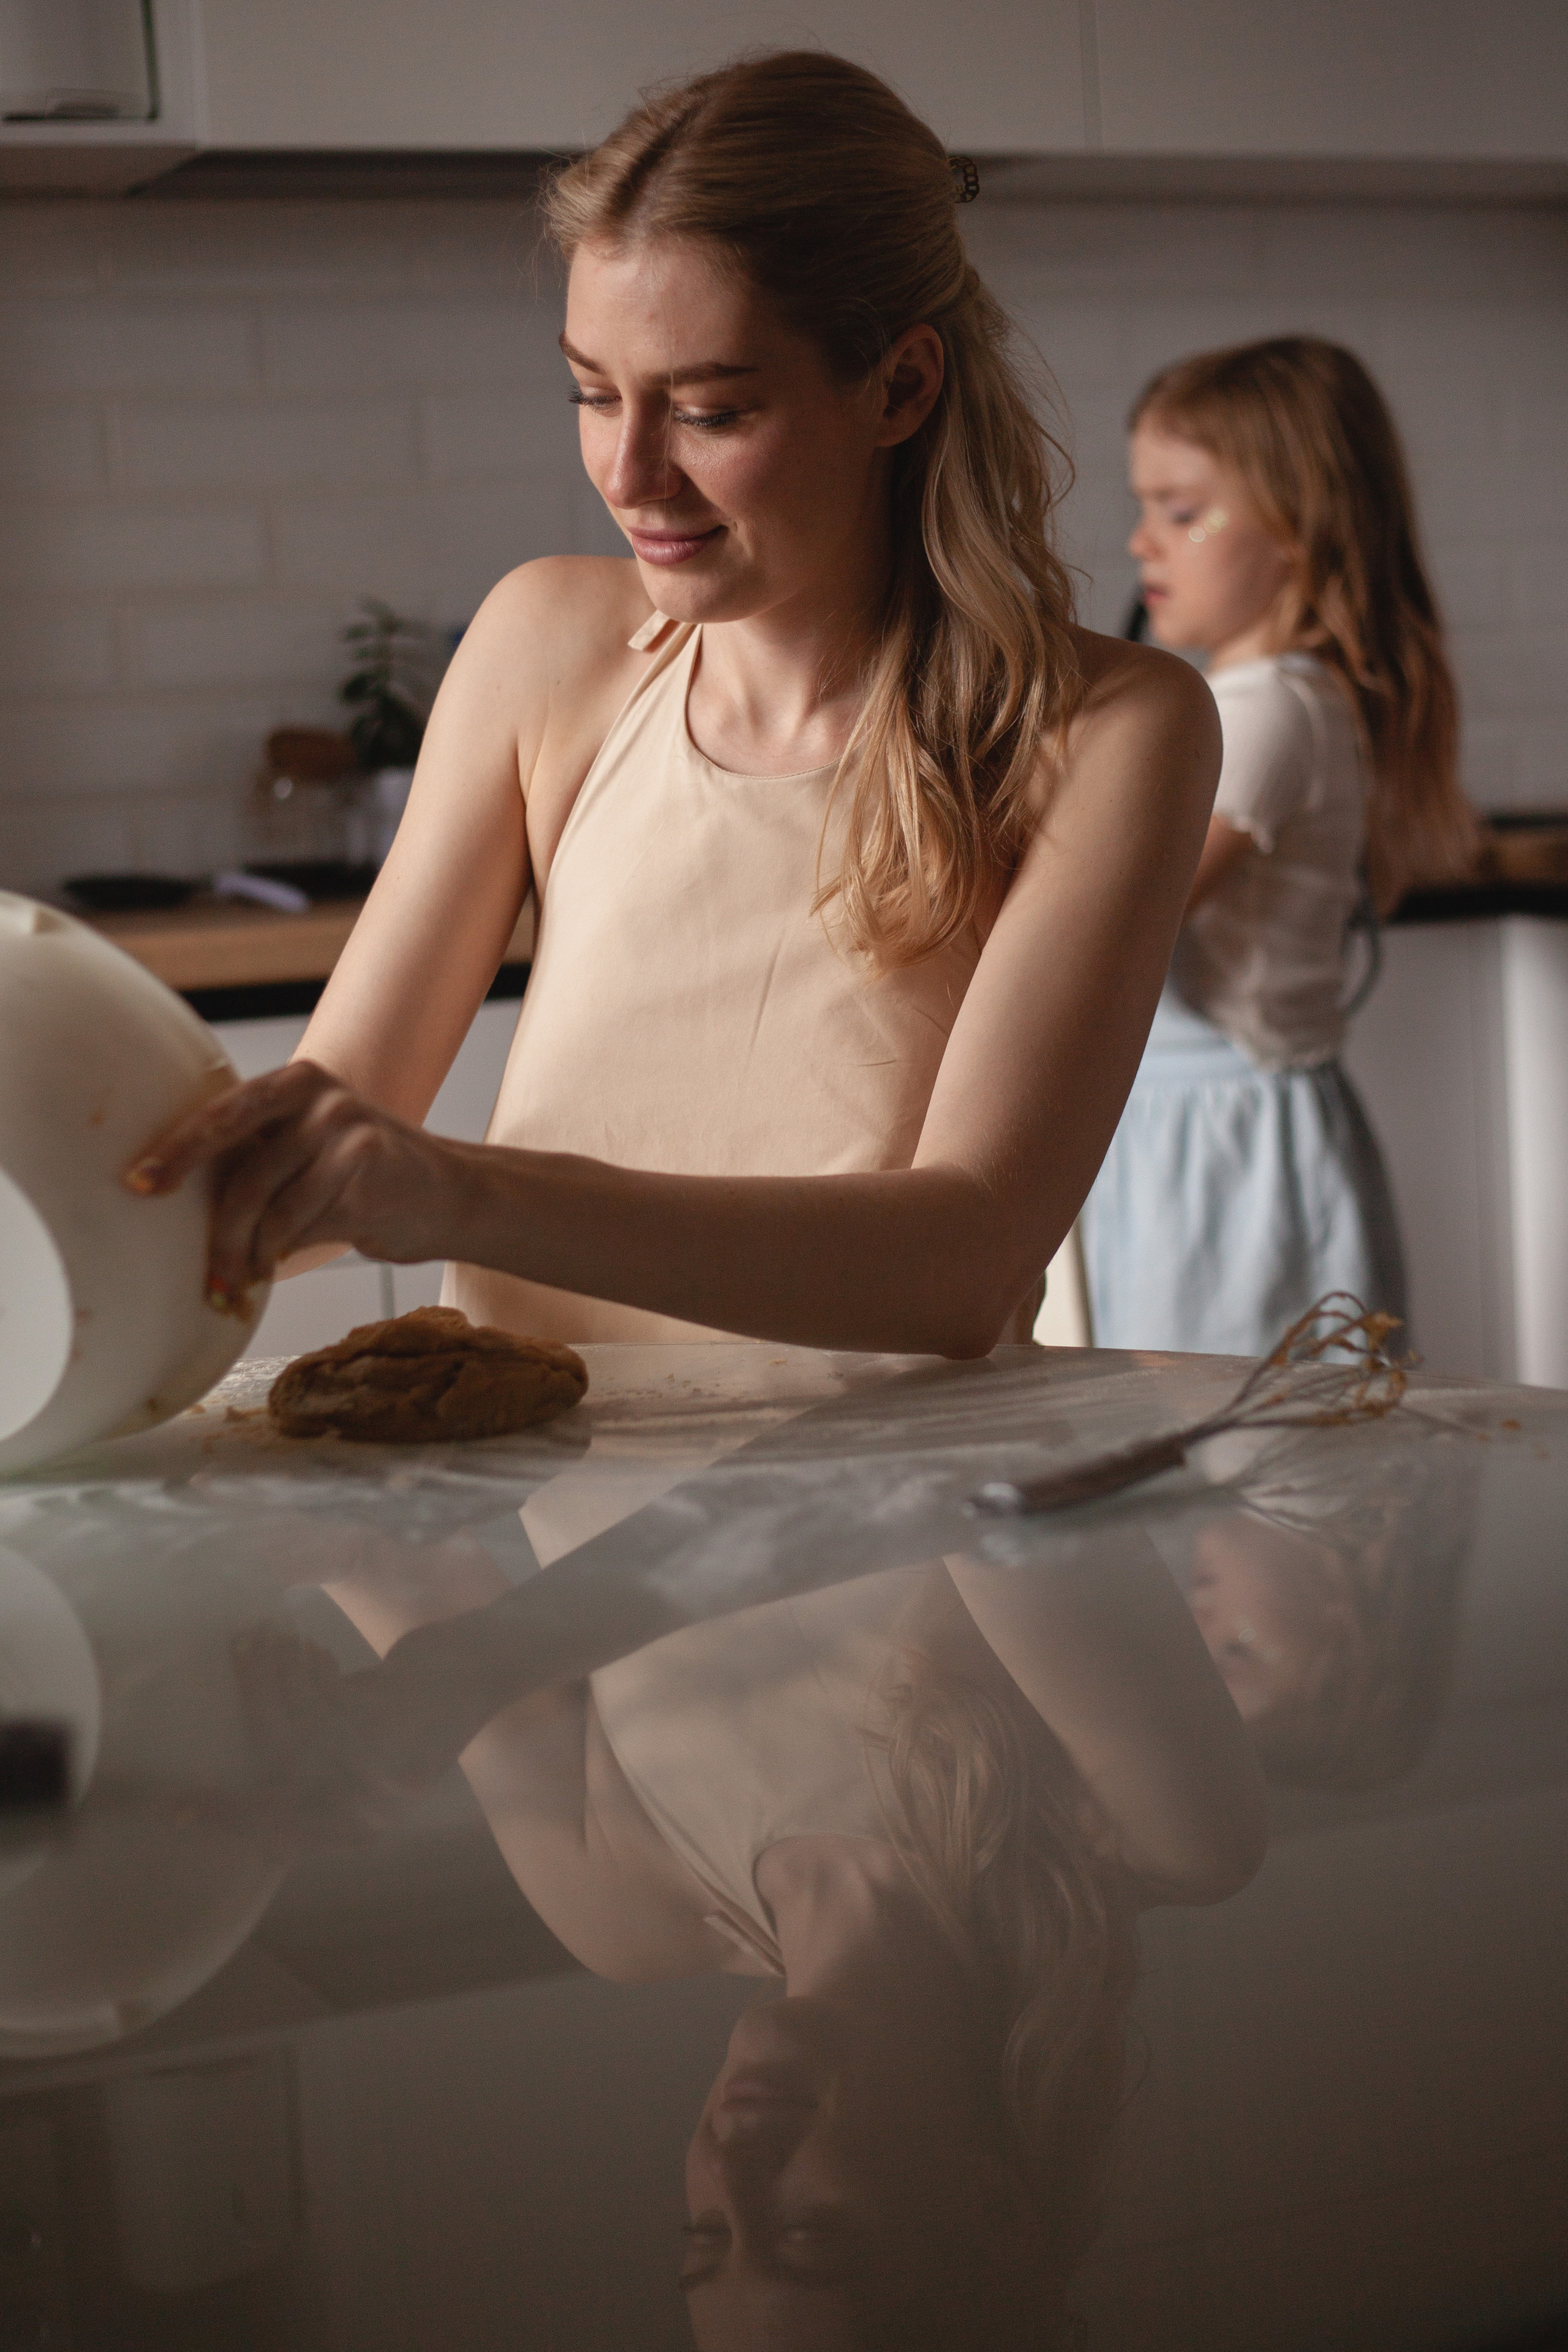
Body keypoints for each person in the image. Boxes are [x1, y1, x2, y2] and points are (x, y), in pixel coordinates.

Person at [123, 50, 1218, 1360]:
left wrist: (459, 1192)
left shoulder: (1106, 730)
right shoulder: (542, 647)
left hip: (890, 1487)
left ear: (901, 387)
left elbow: (964, 1262)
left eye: (710, 411)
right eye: (593, 393)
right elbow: (321, 1139)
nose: (630, 473)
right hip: (525, 1467)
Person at [1082, 337, 1479, 1357]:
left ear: (1300, 528)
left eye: (1182, 511)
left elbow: (1113, 921)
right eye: (1144, 506)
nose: (1141, 541)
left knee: (1241, 1436)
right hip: (1199, 1134)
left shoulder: (1263, 715)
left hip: (1229, 1157)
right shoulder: (1260, 700)